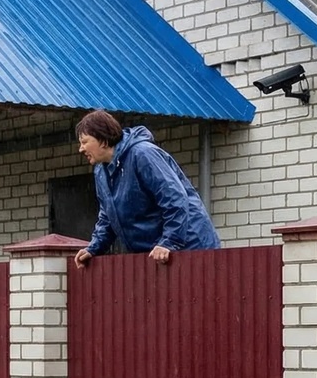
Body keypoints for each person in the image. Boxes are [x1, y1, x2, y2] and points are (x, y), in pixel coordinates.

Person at [72, 109, 220, 269]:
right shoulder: (101, 171)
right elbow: (108, 217)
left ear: (103, 140)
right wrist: (94, 248)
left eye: (85, 142)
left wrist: (169, 241)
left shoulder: (143, 154)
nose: (81, 149)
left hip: (189, 247)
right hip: (157, 254)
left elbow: (174, 198)